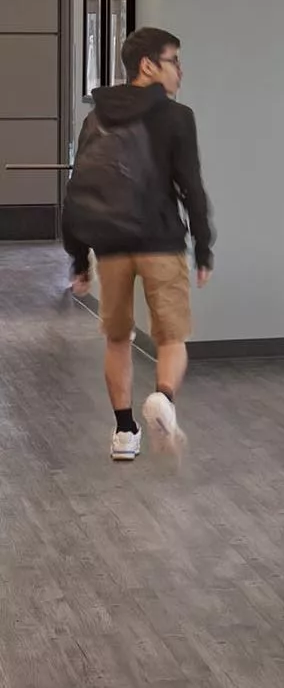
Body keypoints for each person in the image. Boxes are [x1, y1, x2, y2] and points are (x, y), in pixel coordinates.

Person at [62, 28, 212, 462]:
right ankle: (163, 398)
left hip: (110, 245)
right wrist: (204, 247)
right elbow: (191, 188)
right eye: (174, 60)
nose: (180, 70)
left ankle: (125, 432)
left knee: (117, 338)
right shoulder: (177, 116)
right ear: (148, 65)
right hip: (160, 241)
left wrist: (78, 259)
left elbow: (79, 187)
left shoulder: (96, 116)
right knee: (170, 337)